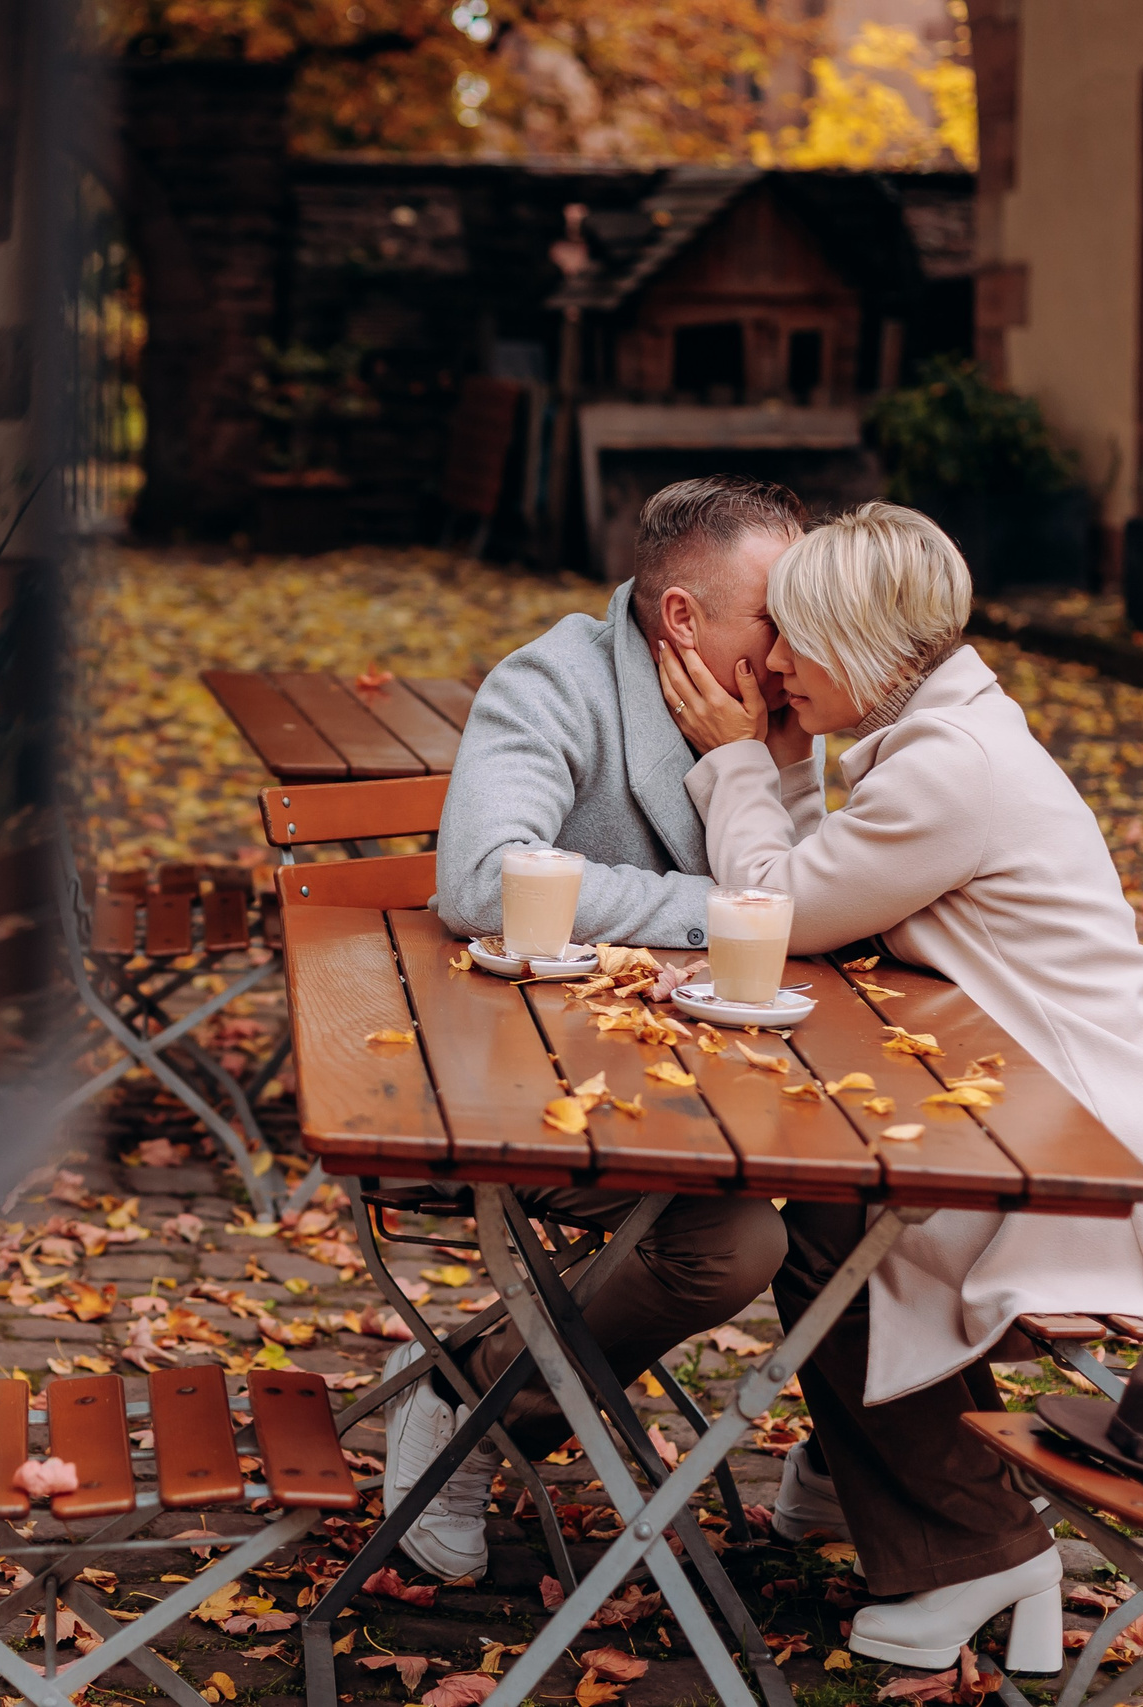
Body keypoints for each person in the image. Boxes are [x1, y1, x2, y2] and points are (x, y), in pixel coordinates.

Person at [657, 501, 1143, 1671]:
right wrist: (787, 769)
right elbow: (826, 881)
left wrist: (739, 762)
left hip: (1115, 1152)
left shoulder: (952, 767)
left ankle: (976, 1547)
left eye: (794, 638)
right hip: (1058, 1107)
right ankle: (879, 1493)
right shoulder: (945, 738)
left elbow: (776, 916)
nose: (776, 663)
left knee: (840, 1236)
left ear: (858, 643)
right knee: (844, 1218)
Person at [385, 478, 805, 1583]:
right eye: (776, 611)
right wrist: (721, 917)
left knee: (883, 1207)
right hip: (529, 1081)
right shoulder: (556, 680)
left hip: (728, 1076)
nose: (800, 635)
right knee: (735, 1242)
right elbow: (479, 881)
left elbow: (821, 891)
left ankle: (875, 1481)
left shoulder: (791, 698)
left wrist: (762, 766)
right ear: (681, 617)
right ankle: (472, 1402)